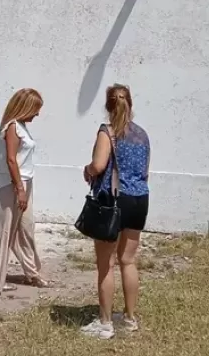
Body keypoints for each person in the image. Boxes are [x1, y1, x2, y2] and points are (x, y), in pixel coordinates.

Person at [80, 84, 151, 340]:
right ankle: (130, 318)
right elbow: (145, 170)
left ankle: (105, 322)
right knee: (128, 260)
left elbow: (99, 165)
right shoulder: (142, 135)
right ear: (129, 103)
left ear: (109, 106)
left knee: (105, 264)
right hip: (139, 199)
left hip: (113, 201)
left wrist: (88, 169)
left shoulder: (107, 132)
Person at [0, 88, 49, 294]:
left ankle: (32, 272)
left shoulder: (21, 126)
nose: (37, 114)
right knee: (5, 232)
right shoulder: (12, 127)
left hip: (25, 182)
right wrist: (19, 189)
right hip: (13, 184)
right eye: (35, 109)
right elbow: (11, 160)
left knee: (25, 229)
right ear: (25, 107)